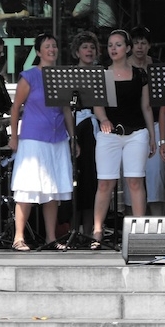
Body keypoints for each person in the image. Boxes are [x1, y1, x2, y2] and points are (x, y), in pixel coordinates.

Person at [8, 33, 74, 251]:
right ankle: (18, 237)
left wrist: (73, 137)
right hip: (33, 138)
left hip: (57, 138)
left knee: (52, 191)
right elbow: (16, 107)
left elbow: (66, 109)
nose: (52, 49)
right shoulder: (29, 76)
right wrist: (14, 137)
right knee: (27, 189)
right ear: (38, 51)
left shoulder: (62, 76)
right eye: (47, 46)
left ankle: (50, 237)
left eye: (54, 45)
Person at [90, 30, 155, 250]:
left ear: (127, 48)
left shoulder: (140, 75)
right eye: (110, 45)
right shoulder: (102, 74)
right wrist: (103, 119)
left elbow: (146, 107)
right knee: (105, 182)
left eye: (118, 45)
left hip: (137, 133)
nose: (113, 48)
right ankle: (97, 230)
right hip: (109, 133)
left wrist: (153, 137)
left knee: (135, 181)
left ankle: (140, 231)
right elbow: (97, 105)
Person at [125, 25, 165, 216]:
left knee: (155, 175)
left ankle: (158, 223)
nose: (139, 47)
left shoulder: (157, 66)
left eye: (143, 43)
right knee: (131, 177)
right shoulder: (123, 66)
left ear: (149, 46)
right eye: (136, 43)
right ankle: (131, 224)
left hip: (156, 125)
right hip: (130, 126)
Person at [70, 31, 101, 239]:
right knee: (75, 180)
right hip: (75, 128)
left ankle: (89, 231)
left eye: (92, 47)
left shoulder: (101, 74)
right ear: (76, 52)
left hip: (94, 129)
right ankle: (72, 230)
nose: (89, 51)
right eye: (84, 47)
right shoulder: (70, 74)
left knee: (92, 179)